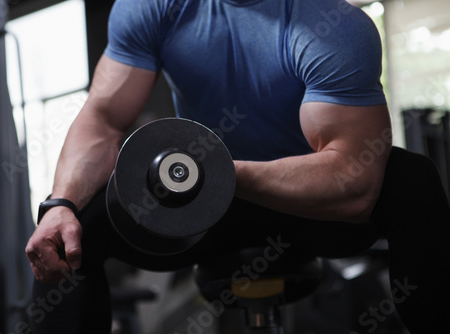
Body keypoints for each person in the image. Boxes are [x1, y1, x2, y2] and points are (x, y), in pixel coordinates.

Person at [25, 0, 450, 332]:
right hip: (196, 212)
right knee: (67, 235)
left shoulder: (332, 25)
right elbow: (103, 118)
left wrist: (219, 173)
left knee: (413, 182)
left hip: (311, 207)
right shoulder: (152, 8)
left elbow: (354, 181)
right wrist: (59, 204)